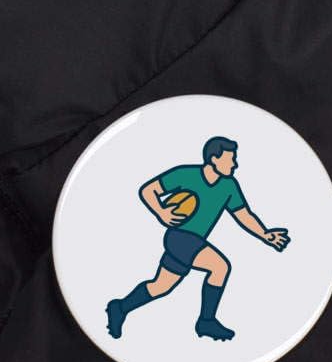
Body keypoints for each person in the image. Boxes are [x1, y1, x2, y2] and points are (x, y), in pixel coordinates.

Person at [106, 136, 290, 341]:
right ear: (214, 159)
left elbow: (244, 215)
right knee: (220, 267)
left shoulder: (229, 186)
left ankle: (120, 307)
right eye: (230, 159)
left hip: (191, 242)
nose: (235, 164)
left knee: (161, 286)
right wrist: (161, 213)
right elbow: (149, 190)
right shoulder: (186, 174)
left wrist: (265, 234)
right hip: (179, 237)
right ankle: (206, 322)